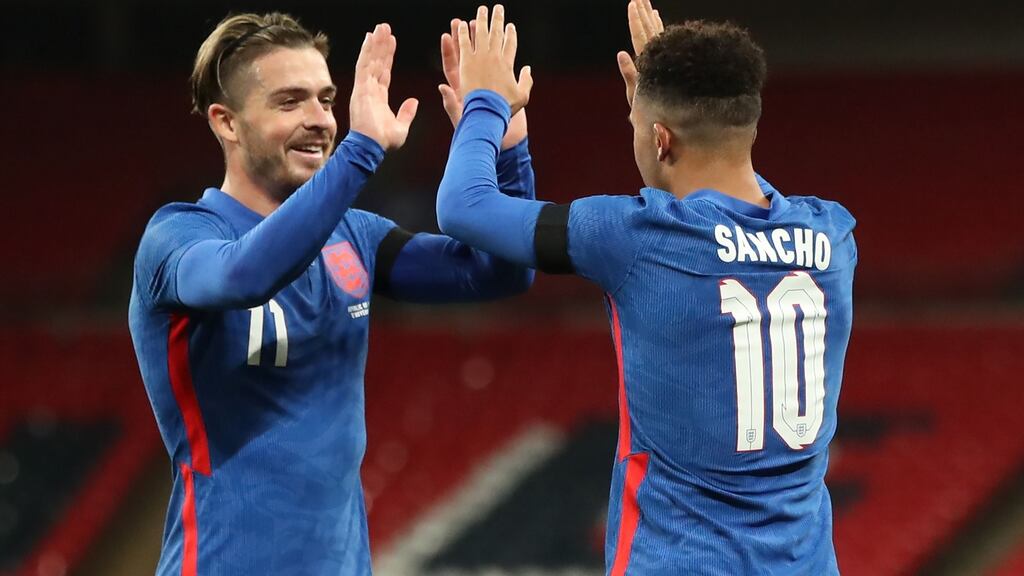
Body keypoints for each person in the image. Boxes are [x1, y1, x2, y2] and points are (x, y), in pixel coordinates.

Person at [437, 2, 856, 574]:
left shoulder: (635, 236)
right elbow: (735, 195)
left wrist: (485, 105)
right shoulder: (832, 236)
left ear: (660, 139)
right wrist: (681, 100)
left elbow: (464, 206)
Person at [128, 12, 535, 575]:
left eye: (326, 99)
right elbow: (241, 277)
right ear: (226, 122)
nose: (320, 120)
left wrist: (504, 135)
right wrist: (361, 149)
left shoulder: (354, 235)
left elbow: (502, 271)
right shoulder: (178, 236)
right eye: (290, 102)